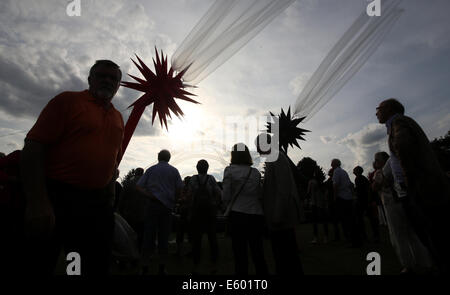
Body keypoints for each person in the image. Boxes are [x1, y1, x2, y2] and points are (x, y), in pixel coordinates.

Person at [19, 60, 124, 275]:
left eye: (113, 78)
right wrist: (38, 202)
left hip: (97, 203)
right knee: (40, 260)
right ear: (89, 79)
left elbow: (112, 160)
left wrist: (110, 194)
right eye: (101, 75)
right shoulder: (67, 101)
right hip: (59, 197)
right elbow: (34, 146)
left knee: (86, 262)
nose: (107, 80)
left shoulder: (117, 117)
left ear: (118, 85)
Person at [376, 98, 450, 273]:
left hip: (421, 189)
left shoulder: (398, 122)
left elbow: (404, 146)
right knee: (432, 235)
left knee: (434, 235)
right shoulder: (397, 124)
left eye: (378, 108)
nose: (376, 112)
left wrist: (407, 182)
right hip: (422, 187)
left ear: (389, 109)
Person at [372, 151, 434, 274]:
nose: (375, 162)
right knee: (411, 232)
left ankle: (408, 264)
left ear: (384, 160)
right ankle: (423, 261)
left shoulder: (383, 171)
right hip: (402, 202)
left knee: (399, 235)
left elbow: (376, 186)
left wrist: (377, 178)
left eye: (377, 160)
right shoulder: (395, 165)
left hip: (393, 204)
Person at [256, 134, 304, 275]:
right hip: (279, 218)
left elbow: (283, 189)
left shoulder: (277, 157)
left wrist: (277, 215)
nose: (258, 150)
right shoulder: (274, 158)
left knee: (286, 256)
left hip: (281, 219)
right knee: (283, 256)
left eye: (259, 146)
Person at [222, 144, 268, 275]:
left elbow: (225, 196)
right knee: (258, 253)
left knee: (240, 254)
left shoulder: (230, 170)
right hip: (256, 215)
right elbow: (260, 194)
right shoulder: (255, 172)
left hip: (238, 215)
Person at [136, 150, 183, 275]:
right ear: (169, 158)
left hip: (153, 205)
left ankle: (145, 266)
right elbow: (179, 188)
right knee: (164, 236)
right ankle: (162, 267)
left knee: (148, 235)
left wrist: (149, 195)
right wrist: (175, 200)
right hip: (167, 207)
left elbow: (139, 186)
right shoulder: (174, 171)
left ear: (158, 157)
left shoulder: (151, 170)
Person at [188, 159, 222, 274]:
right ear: (207, 168)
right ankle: (214, 260)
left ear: (197, 168)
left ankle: (196, 260)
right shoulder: (211, 178)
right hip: (210, 211)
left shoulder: (193, 179)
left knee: (196, 237)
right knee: (212, 236)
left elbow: (189, 194)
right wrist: (215, 203)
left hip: (196, 212)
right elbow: (218, 193)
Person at [331, 159, 360, 247]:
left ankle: (351, 241)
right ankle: (356, 240)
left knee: (346, 220)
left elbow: (335, 185)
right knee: (351, 220)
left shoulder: (336, 172)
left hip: (342, 198)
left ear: (334, 164)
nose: (331, 164)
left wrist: (334, 198)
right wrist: (353, 195)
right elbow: (351, 185)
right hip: (348, 198)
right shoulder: (344, 172)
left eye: (332, 163)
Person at [353, 165, 380, 243]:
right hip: (365, 201)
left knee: (363, 219)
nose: (353, 171)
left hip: (364, 201)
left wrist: (369, 200)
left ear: (357, 171)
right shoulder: (362, 178)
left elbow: (367, 190)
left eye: (354, 170)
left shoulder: (359, 179)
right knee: (370, 219)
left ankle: (366, 236)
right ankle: (374, 236)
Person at [307, 166, 329, 244]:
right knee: (323, 221)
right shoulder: (322, 183)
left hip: (315, 203)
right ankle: (325, 237)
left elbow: (308, 193)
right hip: (320, 203)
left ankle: (316, 238)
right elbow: (325, 193)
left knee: (315, 222)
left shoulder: (311, 182)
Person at [175, 176, 192, 257]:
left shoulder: (187, 189)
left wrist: (180, 200)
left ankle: (180, 251)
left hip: (185, 213)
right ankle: (187, 250)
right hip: (187, 213)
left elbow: (184, 199)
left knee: (181, 233)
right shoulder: (190, 188)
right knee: (187, 233)